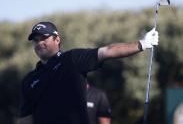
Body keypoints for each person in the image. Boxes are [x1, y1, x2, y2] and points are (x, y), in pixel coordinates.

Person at [18, 21, 158, 124]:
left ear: (57, 39)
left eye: (44, 38)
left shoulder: (72, 59)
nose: (39, 43)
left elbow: (107, 51)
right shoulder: (29, 80)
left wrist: (142, 44)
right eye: (35, 40)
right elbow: (26, 118)